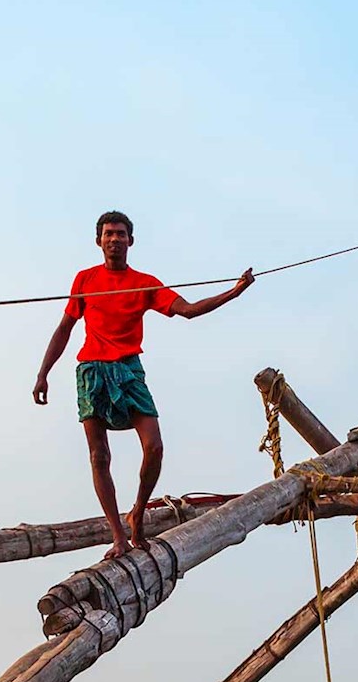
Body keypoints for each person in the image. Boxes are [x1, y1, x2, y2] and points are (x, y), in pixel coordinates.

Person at [33, 211, 254, 557]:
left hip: (129, 370)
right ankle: (118, 535)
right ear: (98, 241)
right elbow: (65, 329)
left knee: (154, 446)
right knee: (99, 456)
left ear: (130, 241)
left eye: (120, 234)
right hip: (92, 371)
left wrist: (234, 293)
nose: (114, 239)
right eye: (108, 234)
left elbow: (189, 310)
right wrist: (43, 373)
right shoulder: (85, 280)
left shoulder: (145, 283)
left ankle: (138, 509)